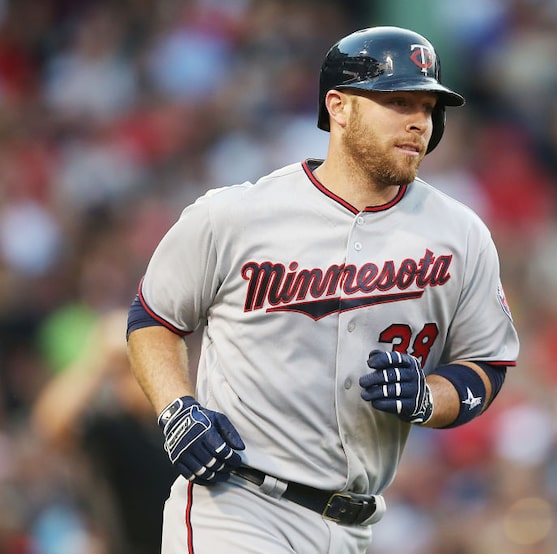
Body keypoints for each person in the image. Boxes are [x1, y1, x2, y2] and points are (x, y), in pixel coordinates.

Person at [125, 25, 520, 553]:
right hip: (239, 505)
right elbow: (154, 318)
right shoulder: (236, 215)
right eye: (397, 101)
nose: (418, 123)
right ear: (339, 107)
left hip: (353, 527)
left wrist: (429, 397)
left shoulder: (461, 234)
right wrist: (177, 408)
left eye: (427, 108)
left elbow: (486, 364)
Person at [31, 309, 178, 553]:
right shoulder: (114, 429)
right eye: (125, 370)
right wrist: (97, 359)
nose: (137, 377)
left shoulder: (186, 419)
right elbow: (49, 424)